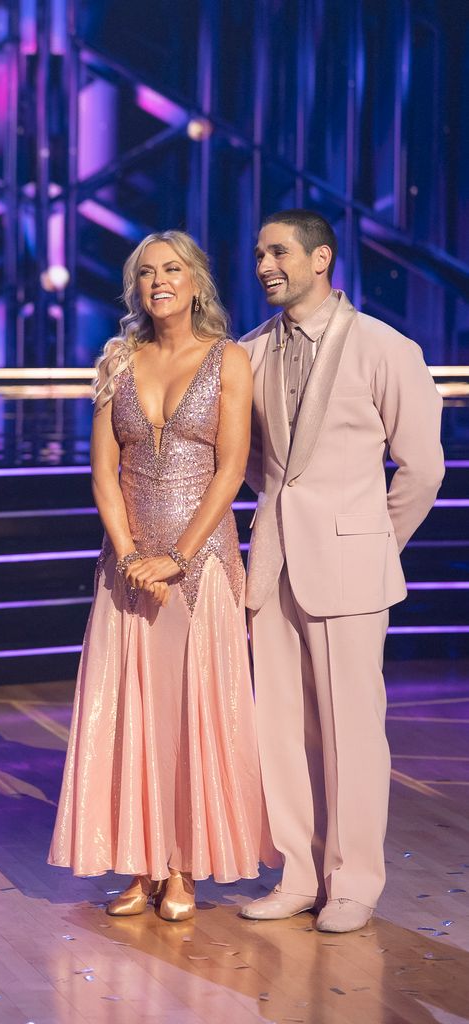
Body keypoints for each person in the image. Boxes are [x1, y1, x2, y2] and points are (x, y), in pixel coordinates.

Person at [49, 231, 274, 920]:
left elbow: (231, 471)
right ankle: (141, 864)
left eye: (171, 270)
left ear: (196, 281)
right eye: (145, 272)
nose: (158, 282)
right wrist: (128, 557)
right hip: (126, 569)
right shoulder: (117, 358)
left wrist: (175, 557)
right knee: (131, 715)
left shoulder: (228, 359)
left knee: (187, 714)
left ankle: (183, 868)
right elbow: (103, 472)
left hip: (198, 566)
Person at [238, 210, 444, 932]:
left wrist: (374, 542)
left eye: (278, 252)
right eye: (259, 253)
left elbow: (423, 467)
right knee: (279, 729)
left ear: (319, 258)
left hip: (351, 563)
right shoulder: (249, 350)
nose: (264, 264)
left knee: (353, 730)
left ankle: (353, 880)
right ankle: (296, 872)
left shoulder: (385, 347)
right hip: (271, 562)